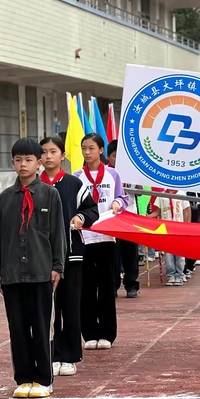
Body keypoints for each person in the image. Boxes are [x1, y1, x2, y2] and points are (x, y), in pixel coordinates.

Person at [0, 138, 66, 398]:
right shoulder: (4, 199)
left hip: (41, 272)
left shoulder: (50, 194)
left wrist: (58, 265)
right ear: (12, 163)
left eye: (29, 160)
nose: (23, 164)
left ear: (38, 163)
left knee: (41, 325)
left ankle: (44, 379)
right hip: (12, 275)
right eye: (18, 160)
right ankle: (23, 379)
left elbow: (57, 233)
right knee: (18, 328)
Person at [40, 137, 99, 378]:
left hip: (71, 255)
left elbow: (91, 209)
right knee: (47, 309)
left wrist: (80, 219)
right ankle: (52, 354)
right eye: (43, 152)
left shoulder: (75, 184)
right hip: (40, 258)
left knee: (70, 306)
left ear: (63, 155)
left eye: (53, 152)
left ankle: (70, 356)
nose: (48, 156)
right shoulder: (33, 184)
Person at [74, 133, 129, 351]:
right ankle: (89, 333)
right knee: (86, 288)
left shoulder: (113, 175)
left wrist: (116, 202)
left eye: (91, 148)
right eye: (83, 149)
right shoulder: (77, 177)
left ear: (100, 150)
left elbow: (123, 198)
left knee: (106, 286)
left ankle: (107, 333)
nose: (87, 153)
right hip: (84, 239)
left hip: (107, 237)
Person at [107, 140, 140, 298]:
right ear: (108, 157)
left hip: (130, 216)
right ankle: (112, 286)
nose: (118, 160)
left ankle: (131, 284)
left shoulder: (132, 172)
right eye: (114, 156)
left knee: (130, 253)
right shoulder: (106, 173)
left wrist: (137, 182)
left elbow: (139, 192)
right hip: (112, 219)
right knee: (113, 254)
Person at [149, 190, 191, 286]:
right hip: (166, 229)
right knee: (168, 254)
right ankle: (171, 274)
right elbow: (157, 212)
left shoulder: (181, 194)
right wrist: (146, 217)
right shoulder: (162, 195)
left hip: (179, 228)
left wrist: (187, 227)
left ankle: (180, 274)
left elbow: (187, 211)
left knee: (180, 254)